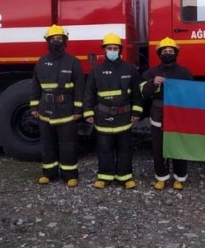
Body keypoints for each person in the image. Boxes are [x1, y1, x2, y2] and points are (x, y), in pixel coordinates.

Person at [84, 33, 143, 189]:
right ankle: (104, 177)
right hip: (103, 117)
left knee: (125, 150)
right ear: (104, 50)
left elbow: (137, 93)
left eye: (114, 48)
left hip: (124, 118)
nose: (112, 50)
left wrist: (136, 112)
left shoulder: (129, 69)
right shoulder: (96, 71)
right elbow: (89, 93)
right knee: (104, 149)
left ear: (119, 50)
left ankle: (125, 177)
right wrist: (88, 113)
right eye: (109, 48)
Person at [30, 25, 85, 187]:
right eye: (53, 39)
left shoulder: (73, 62)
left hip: (66, 111)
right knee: (47, 144)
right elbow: (35, 86)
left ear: (65, 41)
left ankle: (70, 175)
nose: (56, 42)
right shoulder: (41, 62)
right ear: (48, 41)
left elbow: (79, 88)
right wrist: (33, 107)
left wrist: (78, 110)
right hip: (45, 112)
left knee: (67, 144)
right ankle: (49, 173)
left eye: (59, 39)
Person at [140, 37, 193, 190]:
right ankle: (161, 177)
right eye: (165, 51)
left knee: (178, 146)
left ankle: (179, 178)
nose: (168, 53)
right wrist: (152, 83)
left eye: (171, 51)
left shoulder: (184, 73)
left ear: (176, 53)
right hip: (158, 113)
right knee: (158, 147)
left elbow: (191, 95)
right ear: (159, 54)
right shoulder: (152, 72)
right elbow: (142, 92)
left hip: (177, 114)